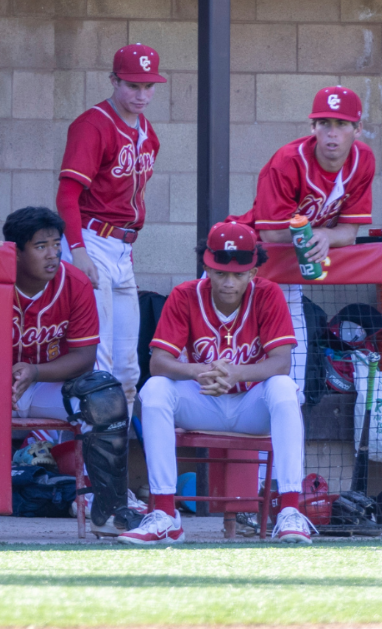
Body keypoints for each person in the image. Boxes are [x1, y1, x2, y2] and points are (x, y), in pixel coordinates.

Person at [0, 207, 145, 536]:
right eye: (41, 246)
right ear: (15, 250)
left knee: (107, 397)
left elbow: (84, 356)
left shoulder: (76, 282)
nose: (53, 254)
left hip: (47, 384)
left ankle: (109, 510)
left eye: (56, 245)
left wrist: (36, 372)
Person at [121, 221, 314, 545]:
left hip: (250, 407)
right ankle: (166, 515)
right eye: (221, 273)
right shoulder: (185, 294)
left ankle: (289, 512)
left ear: (253, 271)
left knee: (284, 388)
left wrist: (237, 373)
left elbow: (281, 362)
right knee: (154, 390)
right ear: (207, 267)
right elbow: (158, 363)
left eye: (238, 274)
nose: (229, 282)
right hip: (203, 400)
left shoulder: (268, 294)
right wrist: (201, 371)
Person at [239, 85, 375, 401]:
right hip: (244, 263)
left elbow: (349, 232)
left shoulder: (363, 161)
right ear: (312, 126)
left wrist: (326, 235)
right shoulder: (287, 161)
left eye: (342, 124)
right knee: (229, 354)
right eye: (324, 123)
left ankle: (284, 440)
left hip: (286, 273)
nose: (332, 132)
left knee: (293, 369)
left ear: (358, 128)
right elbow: (272, 235)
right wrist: (319, 234)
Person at [58, 44, 166, 401]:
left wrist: (125, 253)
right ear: (113, 82)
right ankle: (87, 456)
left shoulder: (147, 132)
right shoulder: (92, 125)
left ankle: (112, 456)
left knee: (127, 370)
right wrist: (78, 251)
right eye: (132, 85)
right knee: (99, 364)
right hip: (91, 240)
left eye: (148, 86)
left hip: (121, 249)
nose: (141, 94)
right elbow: (67, 196)